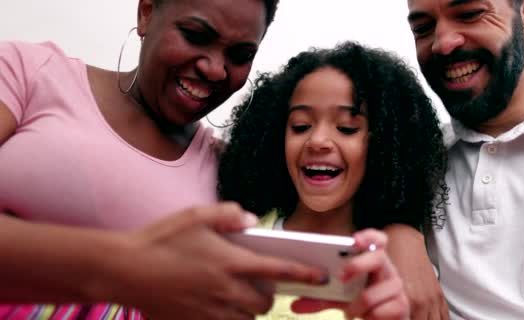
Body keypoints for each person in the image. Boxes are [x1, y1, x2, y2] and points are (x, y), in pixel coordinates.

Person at [0, 0, 330, 319]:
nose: (214, 69)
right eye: (195, 35)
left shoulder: (229, 173)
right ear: (146, 14)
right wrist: (127, 269)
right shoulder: (28, 73)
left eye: (240, 55)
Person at [398, 0, 524, 319]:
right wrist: (398, 233)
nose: (443, 43)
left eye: (469, 14)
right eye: (423, 28)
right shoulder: (416, 159)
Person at [218, 41, 449, 319]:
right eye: (300, 126)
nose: (317, 141)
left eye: (346, 128)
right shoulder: (242, 240)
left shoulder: (394, 272)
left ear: (383, 146)